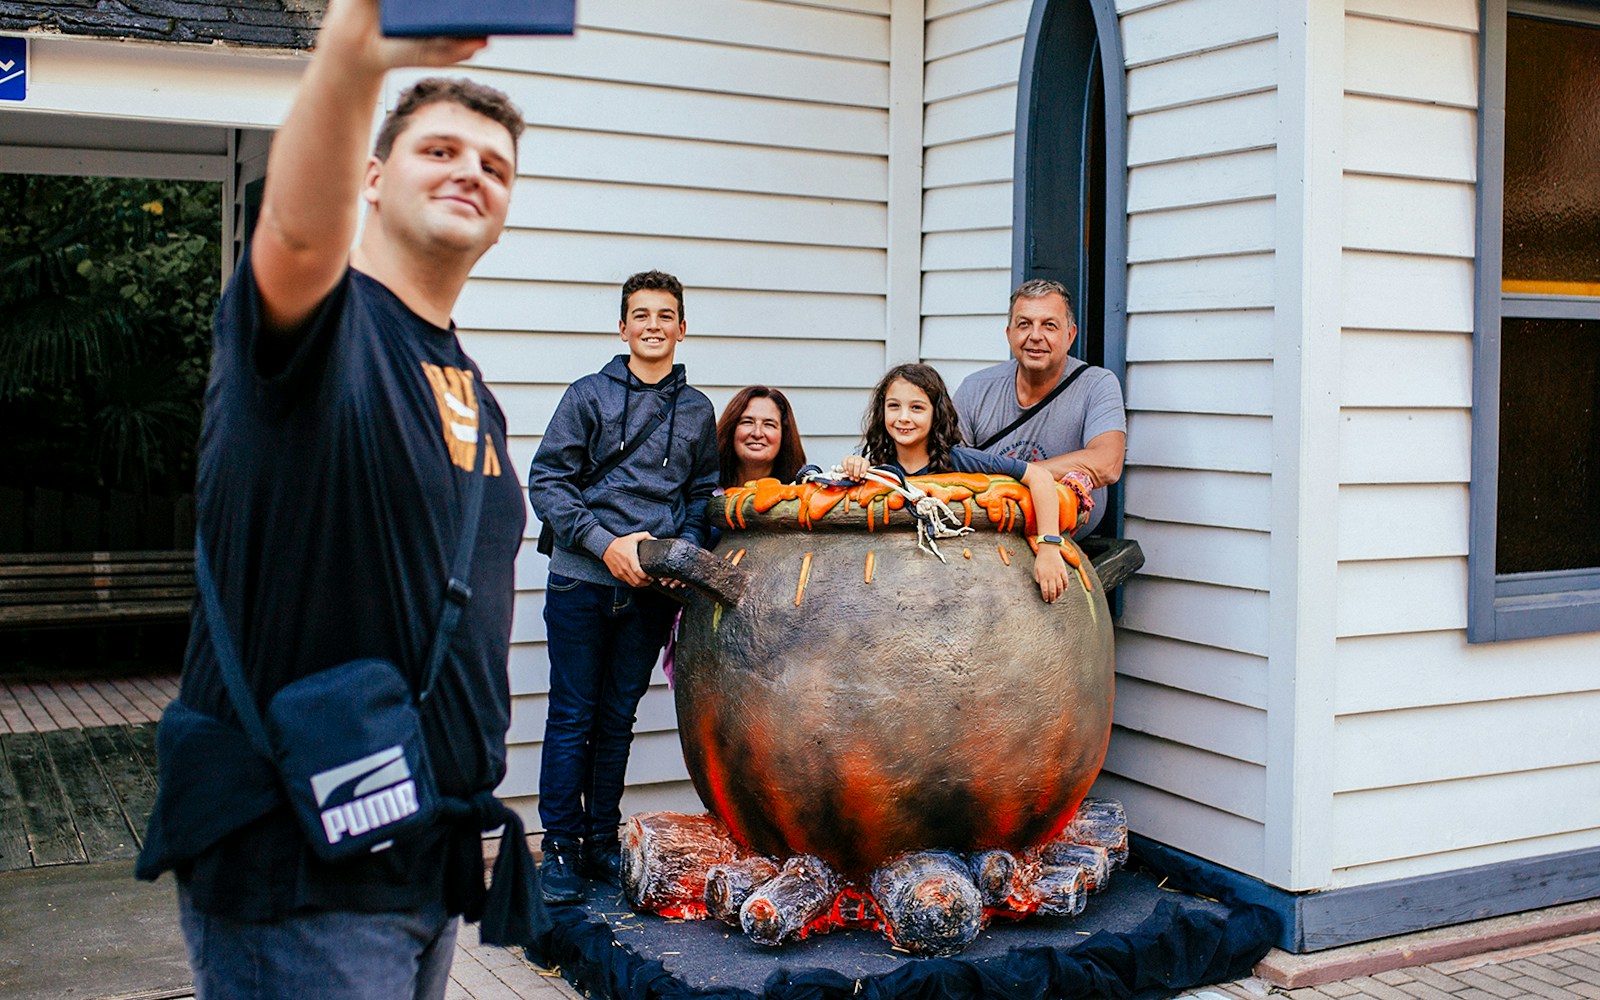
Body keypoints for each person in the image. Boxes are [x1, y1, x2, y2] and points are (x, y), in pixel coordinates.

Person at [134, 1, 535, 997]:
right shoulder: (322, 332)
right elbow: (299, 236)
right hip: (297, 864)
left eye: (495, 165)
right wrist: (352, 62)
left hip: (409, 849)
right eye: (438, 148)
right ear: (370, 175)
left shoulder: (466, 381)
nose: (470, 172)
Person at [525, 270, 720, 905]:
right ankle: (558, 845)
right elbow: (548, 482)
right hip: (581, 580)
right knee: (573, 714)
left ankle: (600, 842)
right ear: (623, 327)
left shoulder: (696, 412)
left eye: (666, 315)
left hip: (650, 590)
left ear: (682, 327)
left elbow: (698, 496)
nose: (653, 326)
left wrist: (679, 557)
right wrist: (605, 543)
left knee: (616, 717)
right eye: (641, 315)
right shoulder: (587, 396)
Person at [838, 364, 1074, 603]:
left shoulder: (961, 460)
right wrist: (854, 468)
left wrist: (1049, 548)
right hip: (890, 588)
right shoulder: (875, 466)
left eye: (917, 408)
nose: (903, 418)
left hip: (959, 588)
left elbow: (1040, 476)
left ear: (936, 413)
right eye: (894, 406)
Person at [952, 279, 1127, 537]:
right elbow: (944, 461)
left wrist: (1021, 476)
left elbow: (1107, 464)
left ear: (1070, 336)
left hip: (1063, 537)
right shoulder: (975, 388)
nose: (1035, 336)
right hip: (983, 535)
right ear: (1009, 334)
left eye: (1049, 325)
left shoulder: (1097, 384)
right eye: (1024, 324)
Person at [716, 385, 808, 486]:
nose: (757, 433)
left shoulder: (802, 491)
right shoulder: (705, 489)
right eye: (747, 422)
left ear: (784, 434)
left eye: (769, 424)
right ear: (731, 429)